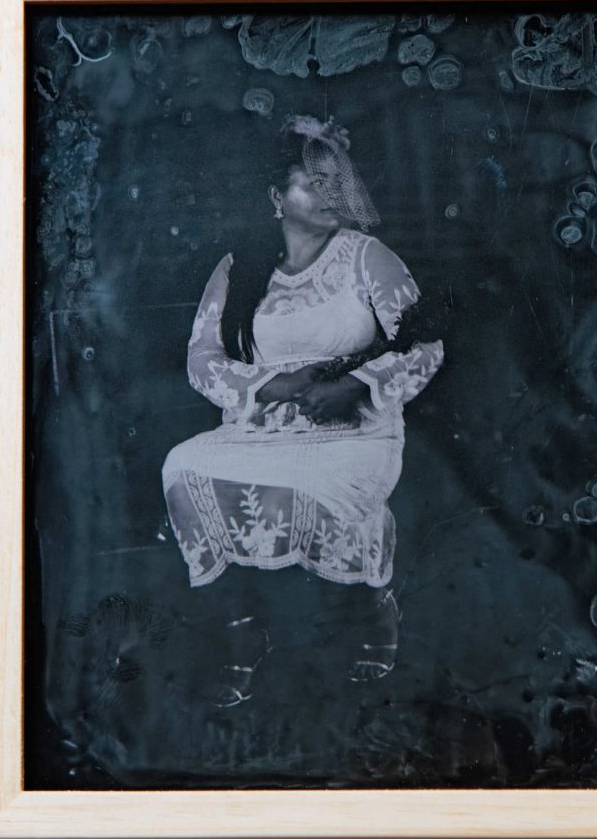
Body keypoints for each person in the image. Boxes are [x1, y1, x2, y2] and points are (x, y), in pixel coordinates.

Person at [162, 114, 443, 705]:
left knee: (320, 482)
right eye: (312, 184)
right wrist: (271, 385)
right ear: (276, 198)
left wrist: (359, 386)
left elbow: (425, 343)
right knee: (183, 466)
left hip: (355, 430)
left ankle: (373, 602)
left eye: (335, 181)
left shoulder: (368, 257)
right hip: (262, 428)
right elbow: (201, 359)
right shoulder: (239, 269)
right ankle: (242, 630)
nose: (330, 194)